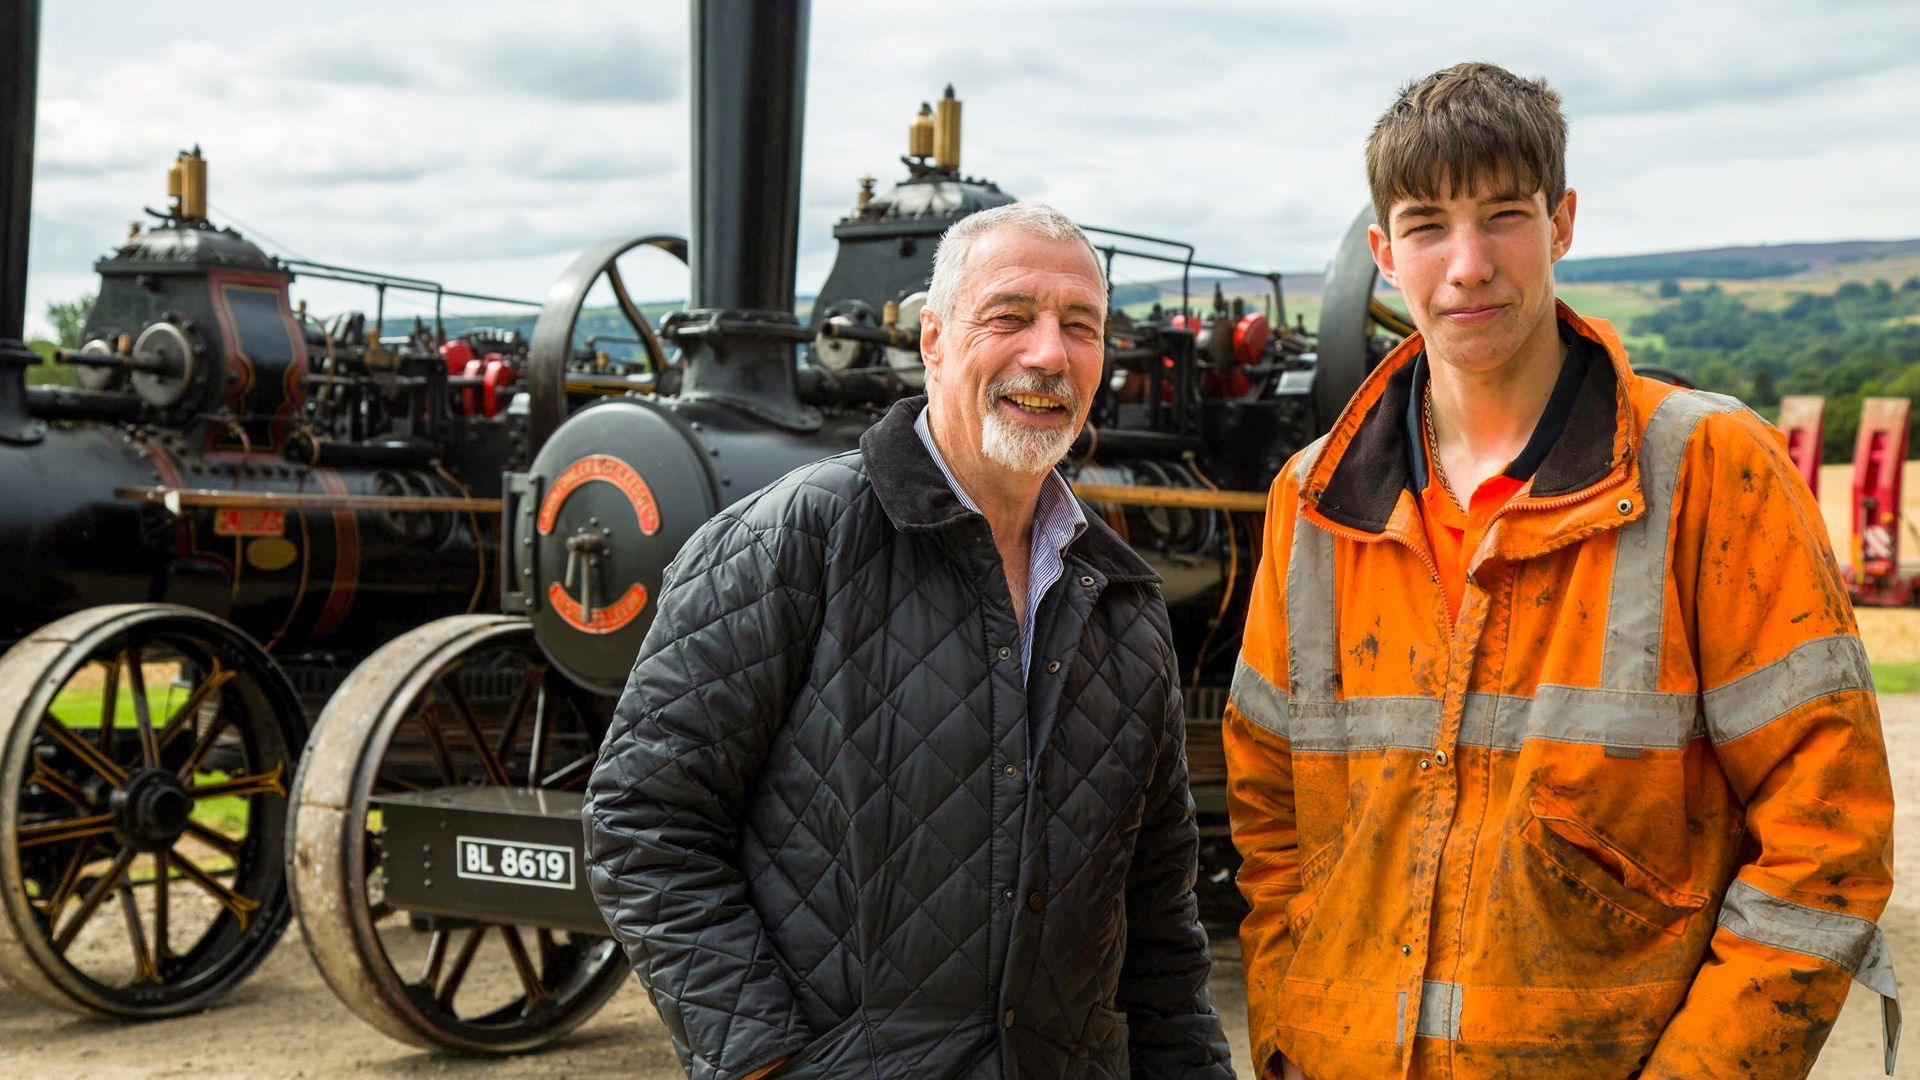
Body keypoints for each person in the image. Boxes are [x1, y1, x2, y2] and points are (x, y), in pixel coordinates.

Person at [1226, 62, 1900, 1079]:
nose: (1467, 265)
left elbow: (1828, 833)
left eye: (1504, 215)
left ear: (1562, 224)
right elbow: (1269, 819)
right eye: (1426, 226)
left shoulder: (1710, 471)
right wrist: (1289, 1037)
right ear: (1384, 254)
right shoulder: (1313, 502)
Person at [584, 201, 1234, 1079]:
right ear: (933, 339)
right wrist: (765, 1060)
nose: (1049, 353)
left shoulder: (1122, 600)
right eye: (1010, 317)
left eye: (1081, 326)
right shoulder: (793, 541)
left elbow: (1157, 920)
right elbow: (643, 821)